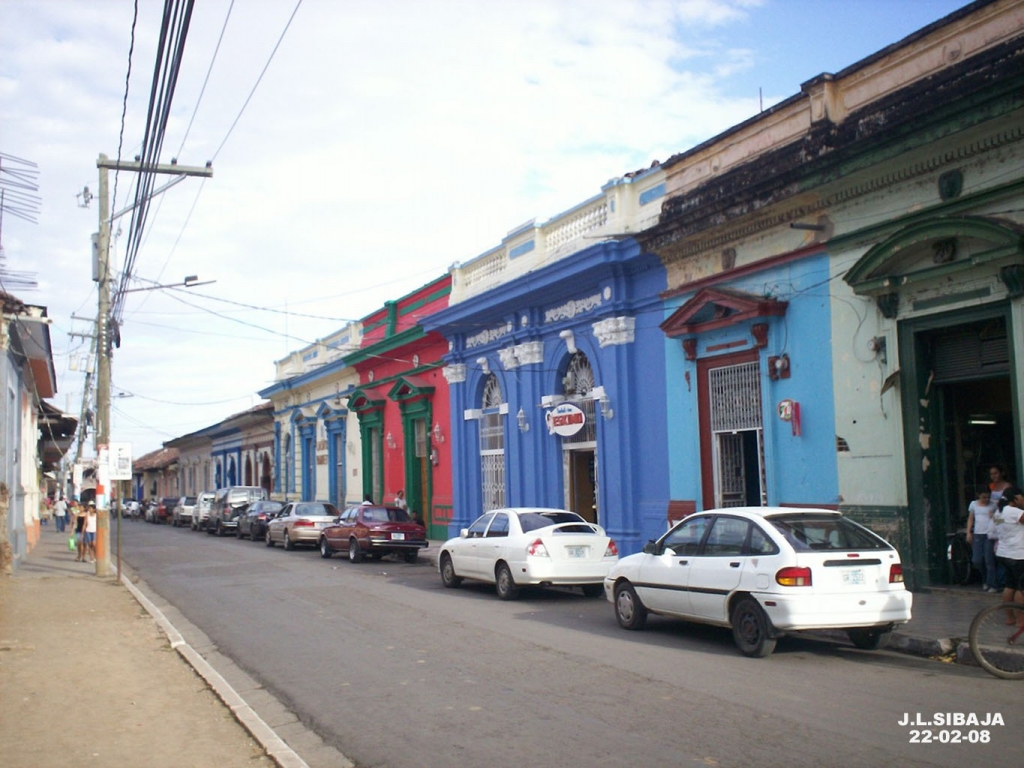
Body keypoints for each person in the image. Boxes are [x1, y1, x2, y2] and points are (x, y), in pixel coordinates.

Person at [991, 486, 1024, 623]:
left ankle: (1009, 618)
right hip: (1018, 554)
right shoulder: (1014, 512)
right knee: (1021, 589)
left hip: (1004, 553)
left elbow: (996, 528)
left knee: (1009, 586)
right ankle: (1021, 620)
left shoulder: (998, 513)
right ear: (1016, 498)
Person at [966, 487, 999, 592]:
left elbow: (1001, 520)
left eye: (988, 497)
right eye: (984, 497)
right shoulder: (973, 504)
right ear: (978, 495)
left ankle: (991, 584)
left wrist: (993, 516)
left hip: (989, 534)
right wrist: (968, 532)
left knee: (989, 560)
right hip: (978, 534)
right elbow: (971, 518)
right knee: (977, 560)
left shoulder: (993, 505)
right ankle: (984, 579)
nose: (986, 499)